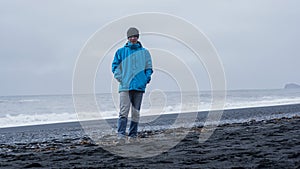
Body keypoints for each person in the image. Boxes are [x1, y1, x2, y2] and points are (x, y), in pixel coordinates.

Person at [112, 27, 153, 145]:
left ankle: (133, 136)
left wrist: (145, 79)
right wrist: (121, 79)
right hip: (125, 87)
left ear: (138, 37)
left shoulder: (145, 52)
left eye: (135, 36)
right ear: (128, 38)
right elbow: (115, 67)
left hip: (139, 87)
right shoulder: (120, 52)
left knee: (135, 113)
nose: (133, 38)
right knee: (123, 111)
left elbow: (149, 67)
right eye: (130, 36)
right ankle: (121, 136)